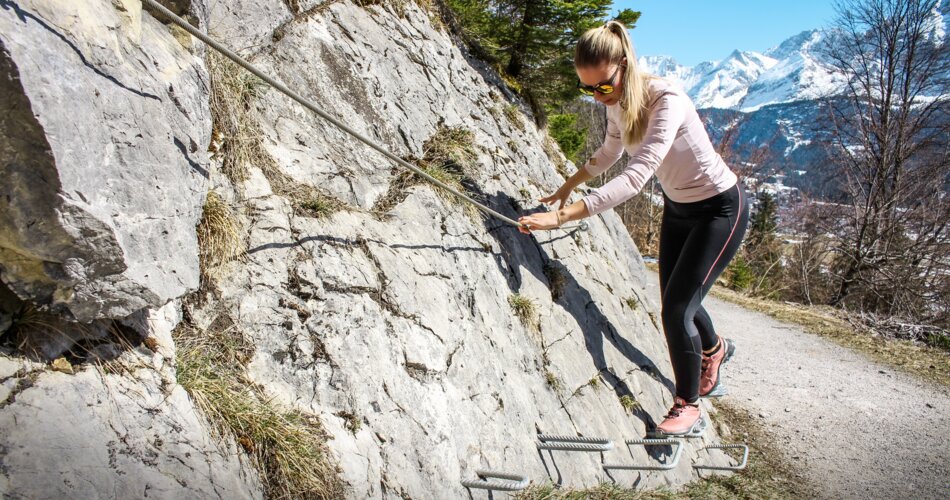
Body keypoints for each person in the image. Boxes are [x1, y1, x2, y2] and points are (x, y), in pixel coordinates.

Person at [517, 21, 749, 436]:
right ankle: (715, 350)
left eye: (603, 87)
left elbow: (637, 174)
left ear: (624, 66)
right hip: (680, 208)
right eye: (587, 90)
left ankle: (688, 405)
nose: (598, 97)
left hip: (720, 209)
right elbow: (610, 151)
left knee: (678, 309)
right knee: (678, 296)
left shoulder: (667, 100)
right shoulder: (615, 100)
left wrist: (563, 216)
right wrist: (568, 184)